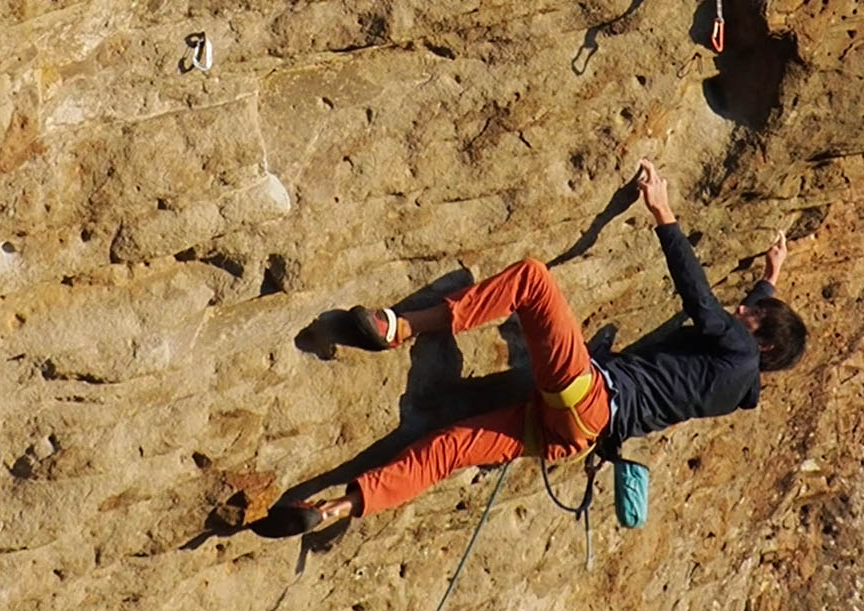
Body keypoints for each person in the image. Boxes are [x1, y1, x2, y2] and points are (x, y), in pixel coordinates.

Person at [258, 159, 808, 537]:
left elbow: (702, 301)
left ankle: (401, 327)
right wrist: (770, 279)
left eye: (751, 313)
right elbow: (744, 326)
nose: (742, 309)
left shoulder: (737, 345)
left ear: (759, 338)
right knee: (450, 448)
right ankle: (338, 506)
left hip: (590, 396)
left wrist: (663, 212)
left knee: (530, 281)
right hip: (571, 437)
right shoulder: (741, 382)